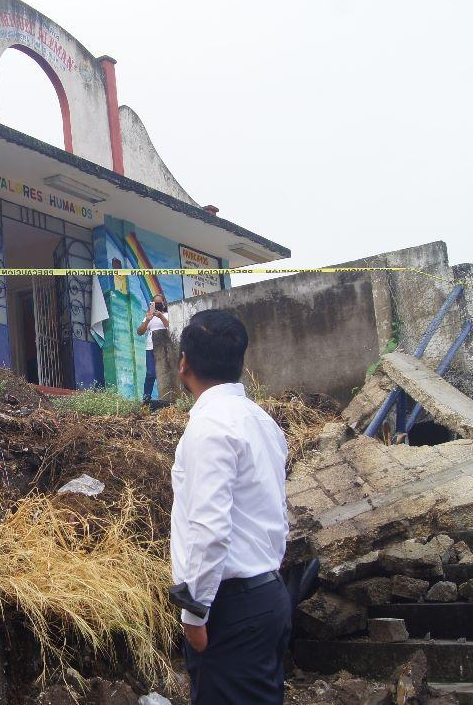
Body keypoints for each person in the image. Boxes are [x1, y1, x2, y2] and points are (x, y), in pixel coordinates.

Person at [169, 309, 290, 705]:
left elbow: (210, 529)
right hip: (267, 595)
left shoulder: (209, 427)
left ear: (184, 362)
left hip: (229, 607)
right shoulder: (261, 421)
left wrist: (194, 615)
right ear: (240, 363)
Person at [137, 293, 170, 401]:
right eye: (155, 303)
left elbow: (171, 327)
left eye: (159, 303)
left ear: (164, 303)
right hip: (150, 348)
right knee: (150, 373)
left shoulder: (168, 315)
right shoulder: (148, 316)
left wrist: (160, 316)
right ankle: (146, 398)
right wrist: (147, 320)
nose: (157, 305)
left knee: (167, 373)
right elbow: (140, 332)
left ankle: (168, 398)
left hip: (165, 348)